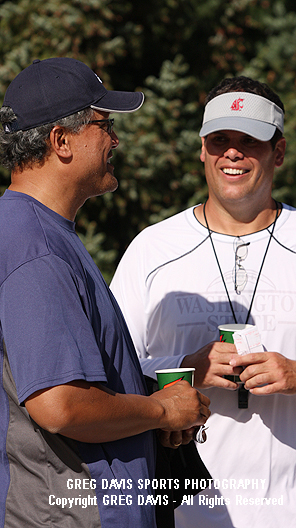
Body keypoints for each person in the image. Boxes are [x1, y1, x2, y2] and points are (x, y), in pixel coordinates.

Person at [111, 76, 296, 528]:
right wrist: (185, 368)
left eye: (249, 141)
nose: (232, 153)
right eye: (219, 140)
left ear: (280, 151)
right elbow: (108, 381)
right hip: (180, 515)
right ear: (201, 149)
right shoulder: (151, 250)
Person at [0, 57, 211, 528]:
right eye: (104, 124)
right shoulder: (33, 246)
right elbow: (60, 405)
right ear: (61, 141)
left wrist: (152, 411)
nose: (115, 139)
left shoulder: (43, 234)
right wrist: (160, 410)